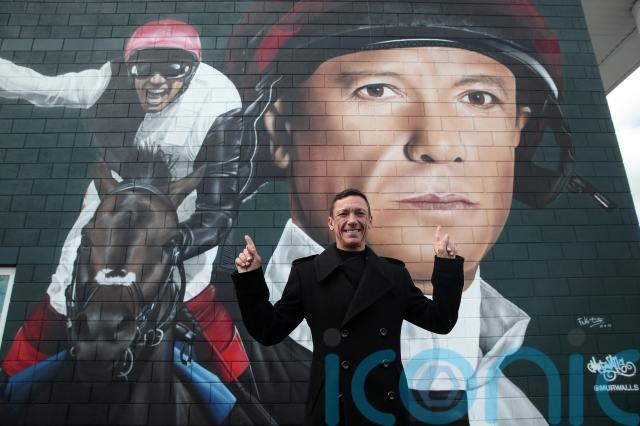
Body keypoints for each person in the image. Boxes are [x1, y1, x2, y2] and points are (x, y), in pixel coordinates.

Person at [219, 0, 616, 424]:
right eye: (376, 90)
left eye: (478, 97)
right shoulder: (199, 366)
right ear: (281, 130)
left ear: (520, 133)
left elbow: (438, 319)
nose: (439, 144)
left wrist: (445, 270)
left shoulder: (519, 415)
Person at [0, 19, 252, 385]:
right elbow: (38, 87)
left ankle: (239, 389)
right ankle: (11, 380)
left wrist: (175, 243)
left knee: (191, 286)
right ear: (129, 67)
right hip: (118, 188)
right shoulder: (107, 83)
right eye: (144, 68)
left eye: (173, 68)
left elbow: (218, 211)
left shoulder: (220, 103)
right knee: (65, 279)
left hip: (184, 195)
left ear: (193, 70)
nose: (156, 80)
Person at [232, 188, 464, 425]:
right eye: (343, 214)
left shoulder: (394, 275)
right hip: (332, 405)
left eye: (359, 213)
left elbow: (440, 320)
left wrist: (447, 266)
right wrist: (250, 278)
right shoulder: (308, 274)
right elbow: (269, 330)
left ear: (369, 221)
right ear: (331, 223)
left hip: (385, 404)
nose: (352, 220)